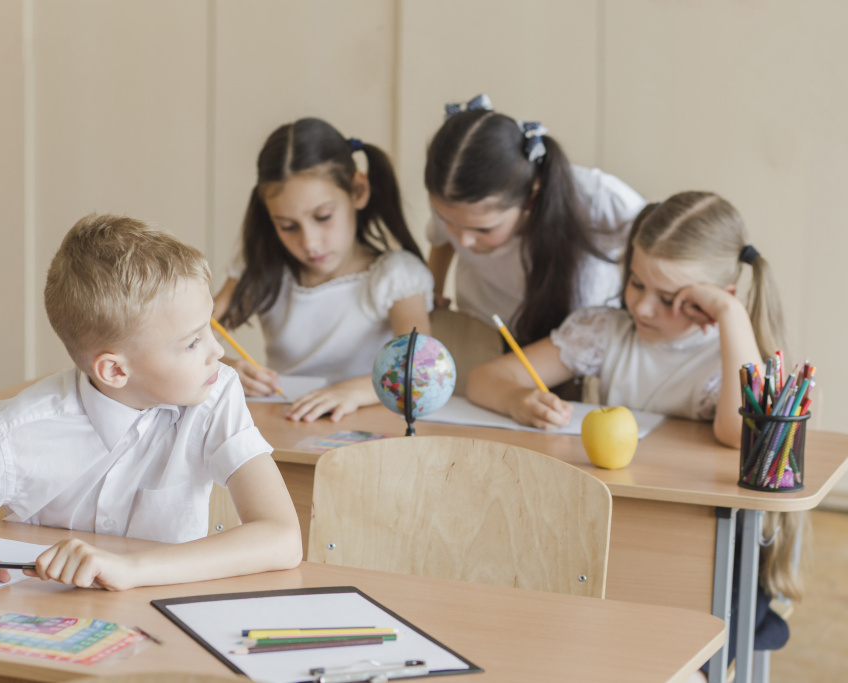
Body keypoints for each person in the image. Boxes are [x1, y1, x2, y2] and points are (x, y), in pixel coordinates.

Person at [0, 214, 302, 591]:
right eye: (192, 342)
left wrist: (132, 569)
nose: (219, 353)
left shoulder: (214, 393)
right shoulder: (21, 429)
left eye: (210, 330)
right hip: (43, 628)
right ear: (115, 370)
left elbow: (281, 539)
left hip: (160, 613)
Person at [464, 192, 802, 677]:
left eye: (669, 298)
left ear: (720, 294)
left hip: (702, 559)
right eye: (636, 282)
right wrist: (518, 399)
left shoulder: (727, 358)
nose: (642, 306)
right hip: (609, 538)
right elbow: (484, 379)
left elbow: (738, 433)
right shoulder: (606, 331)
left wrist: (731, 318)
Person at [214, 117, 432, 423]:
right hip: (284, 423)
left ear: (357, 190)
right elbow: (189, 338)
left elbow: (420, 368)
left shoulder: (396, 276)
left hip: (370, 426)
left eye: (323, 216)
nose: (310, 243)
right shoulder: (263, 268)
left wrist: (354, 392)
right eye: (287, 226)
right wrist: (222, 366)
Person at [425, 94, 645, 348]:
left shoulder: (596, 198)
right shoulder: (452, 197)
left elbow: (660, 245)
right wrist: (434, 292)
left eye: (483, 228)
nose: (463, 240)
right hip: (487, 330)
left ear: (530, 198)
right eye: (447, 220)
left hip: (577, 344)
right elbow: (440, 240)